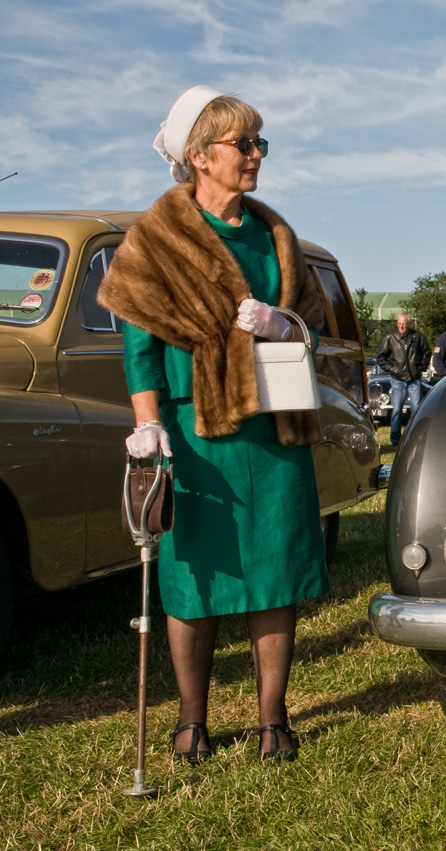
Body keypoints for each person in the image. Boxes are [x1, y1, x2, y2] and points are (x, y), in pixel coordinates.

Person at [98, 85, 327, 764]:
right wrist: (147, 426)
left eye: (260, 143)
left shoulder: (274, 233)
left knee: (276, 570)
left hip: (273, 429)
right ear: (200, 156)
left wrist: (283, 323)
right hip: (194, 432)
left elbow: (309, 324)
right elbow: (138, 344)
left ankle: (272, 720)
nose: (255, 155)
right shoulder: (157, 236)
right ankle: (191, 720)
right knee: (194, 578)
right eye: (243, 144)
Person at [375, 312, 429, 446]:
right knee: (396, 410)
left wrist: (421, 367)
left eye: (404, 324)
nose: (401, 326)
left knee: (416, 409)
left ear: (409, 324)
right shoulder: (390, 337)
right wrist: (394, 369)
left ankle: (415, 438)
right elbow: (381, 358)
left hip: (414, 378)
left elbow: (427, 352)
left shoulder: (417, 337)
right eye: (399, 324)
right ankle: (395, 439)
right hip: (397, 379)